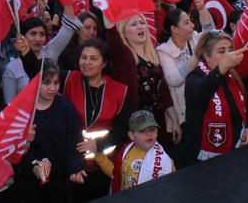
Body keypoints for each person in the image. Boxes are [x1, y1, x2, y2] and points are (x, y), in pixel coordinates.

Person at [63, 39, 130, 201]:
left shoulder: (119, 91)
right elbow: (39, 71)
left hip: (104, 167)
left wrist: (98, 144)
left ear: (104, 63)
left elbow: (122, 129)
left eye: (93, 58)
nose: (87, 62)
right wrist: (25, 52)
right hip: (72, 168)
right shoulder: (68, 79)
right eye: (83, 57)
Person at [104, 14, 181, 142]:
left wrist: (175, 121)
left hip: (157, 124)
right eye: (134, 24)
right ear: (125, 34)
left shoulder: (153, 55)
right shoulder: (123, 56)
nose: (140, 26)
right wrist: (105, 7)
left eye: (142, 23)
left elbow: (164, 92)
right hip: (136, 128)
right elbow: (112, 35)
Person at [15, 60, 84, 202]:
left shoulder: (66, 107)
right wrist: (33, 165)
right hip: (31, 182)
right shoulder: (22, 110)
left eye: (56, 82)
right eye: (46, 83)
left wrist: (75, 167)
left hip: (61, 180)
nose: (52, 88)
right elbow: (13, 147)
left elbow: (75, 141)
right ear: (35, 82)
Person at [179, 30, 248, 166]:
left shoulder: (232, 76)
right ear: (206, 56)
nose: (228, 55)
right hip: (202, 161)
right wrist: (222, 68)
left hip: (234, 153)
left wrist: (246, 127)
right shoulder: (194, 77)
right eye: (222, 51)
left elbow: (241, 107)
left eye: (230, 50)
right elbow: (202, 91)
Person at [2, 11, 81, 105]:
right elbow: (9, 104)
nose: (38, 39)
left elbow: (69, 27)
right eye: (33, 34)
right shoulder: (11, 68)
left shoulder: (51, 51)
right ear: (22, 37)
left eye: (42, 34)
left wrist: (66, 0)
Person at [157, 2, 210, 135]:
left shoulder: (194, 39)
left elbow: (211, 34)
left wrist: (202, 9)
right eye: (186, 22)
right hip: (185, 116)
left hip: (204, 106)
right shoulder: (163, 50)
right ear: (174, 29)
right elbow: (173, 80)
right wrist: (196, 55)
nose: (192, 25)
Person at [96, 110, 175, 193]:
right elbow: (115, 174)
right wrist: (98, 154)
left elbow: (171, 188)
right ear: (131, 135)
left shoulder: (165, 161)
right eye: (142, 131)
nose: (149, 134)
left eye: (152, 129)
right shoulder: (125, 151)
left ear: (157, 132)